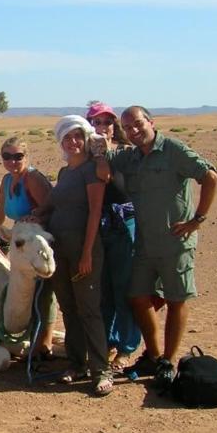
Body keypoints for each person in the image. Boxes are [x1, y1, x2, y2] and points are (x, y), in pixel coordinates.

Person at [100, 105, 217, 388]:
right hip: (144, 243)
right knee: (138, 297)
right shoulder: (130, 157)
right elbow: (104, 163)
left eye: (138, 124)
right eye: (127, 127)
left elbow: (210, 177)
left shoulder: (172, 150)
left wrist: (197, 219)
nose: (134, 130)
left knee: (177, 299)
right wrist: (100, 145)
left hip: (175, 242)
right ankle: (153, 356)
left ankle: (168, 359)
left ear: (151, 122)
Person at [36, 116, 110, 395]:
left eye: (78, 136)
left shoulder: (92, 170)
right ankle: (77, 363)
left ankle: (101, 370)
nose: (73, 142)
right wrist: (36, 214)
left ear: (86, 138)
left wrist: (87, 253)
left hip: (83, 249)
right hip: (60, 250)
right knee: (68, 308)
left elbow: (94, 212)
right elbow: (53, 205)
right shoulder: (65, 172)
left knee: (89, 309)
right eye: (67, 138)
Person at [0, 136, 56, 356]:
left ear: (26, 157)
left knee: (44, 291)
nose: (12, 161)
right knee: (23, 289)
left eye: (18, 156)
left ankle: (44, 343)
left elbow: (52, 209)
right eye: (7, 156)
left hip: (41, 241)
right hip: (22, 242)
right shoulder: (7, 180)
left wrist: (37, 217)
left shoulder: (33, 179)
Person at [86, 102, 142, 371]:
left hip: (123, 225)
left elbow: (108, 177)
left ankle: (126, 348)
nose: (102, 127)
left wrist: (102, 155)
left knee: (124, 288)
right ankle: (106, 341)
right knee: (102, 290)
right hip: (97, 226)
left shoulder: (125, 153)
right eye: (96, 122)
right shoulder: (83, 156)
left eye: (107, 122)